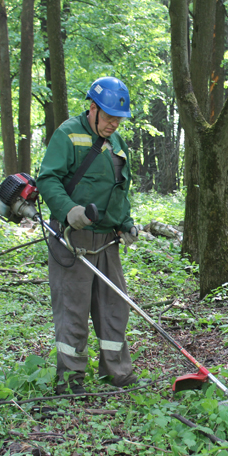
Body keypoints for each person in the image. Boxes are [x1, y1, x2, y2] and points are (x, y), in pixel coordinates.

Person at [37, 77, 139, 394]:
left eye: (118, 119)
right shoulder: (67, 135)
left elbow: (120, 191)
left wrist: (126, 223)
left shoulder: (119, 145)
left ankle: (117, 372)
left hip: (107, 241)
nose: (113, 124)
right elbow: (48, 180)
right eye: (108, 117)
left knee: (114, 307)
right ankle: (70, 379)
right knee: (73, 309)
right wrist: (69, 210)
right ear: (92, 108)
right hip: (71, 239)